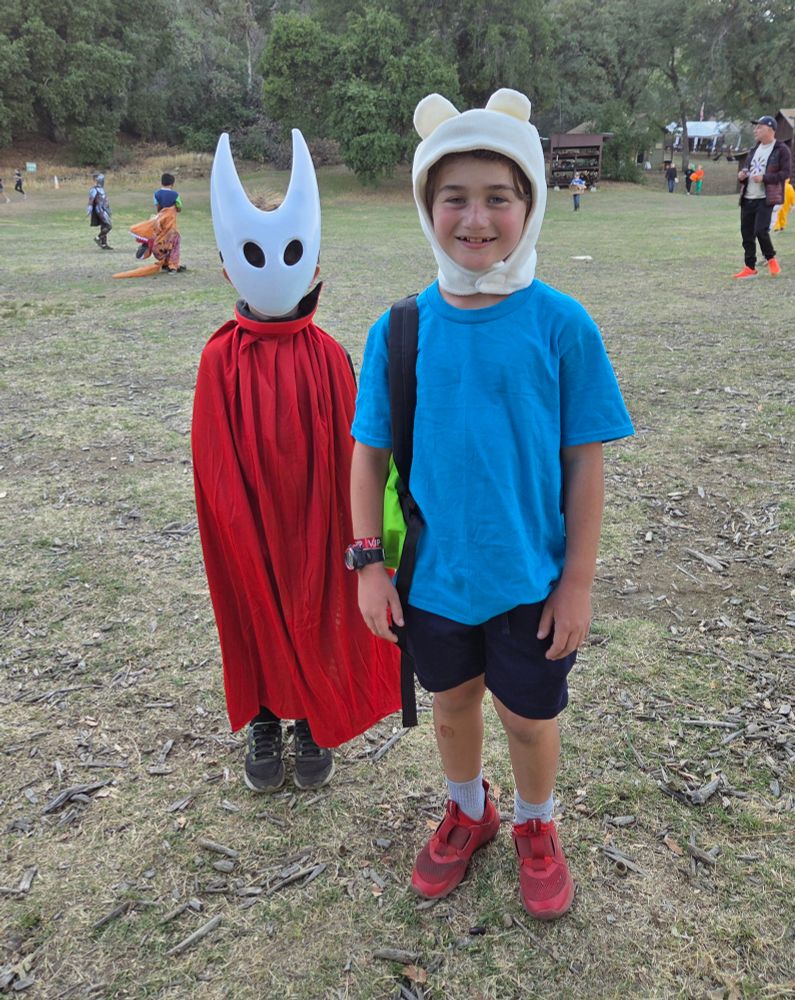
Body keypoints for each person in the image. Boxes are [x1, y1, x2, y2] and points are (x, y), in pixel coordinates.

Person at [350, 89, 634, 920]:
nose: (475, 219)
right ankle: (468, 811)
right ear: (424, 205)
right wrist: (368, 565)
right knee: (451, 708)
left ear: (530, 204)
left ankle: (535, 825)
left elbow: (584, 464)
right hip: (433, 581)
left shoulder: (561, 324)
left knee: (529, 720)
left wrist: (576, 580)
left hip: (531, 580)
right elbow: (366, 458)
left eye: (497, 198)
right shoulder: (399, 328)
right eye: (454, 198)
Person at [192, 131, 401, 793]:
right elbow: (212, 463)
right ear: (229, 268)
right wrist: (237, 529)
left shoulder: (329, 354)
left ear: (312, 266)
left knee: (315, 608)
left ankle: (310, 711)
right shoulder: (219, 359)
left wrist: (368, 539)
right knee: (253, 607)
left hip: (317, 523)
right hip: (249, 521)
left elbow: (358, 453)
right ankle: (262, 714)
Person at [733, 115, 791, 279]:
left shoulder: (781, 150)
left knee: (760, 230)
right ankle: (749, 267)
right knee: (746, 233)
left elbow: (786, 173)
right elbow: (747, 169)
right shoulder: (754, 149)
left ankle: (771, 258)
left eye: (759, 127)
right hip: (748, 197)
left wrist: (764, 178)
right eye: (756, 127)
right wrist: (742, 175)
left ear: (770, 129)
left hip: (766, 197)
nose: (755, 130)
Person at [87, 173, 112, 249]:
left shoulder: (101, 189)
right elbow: (91, 200)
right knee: (108, 226)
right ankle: (98, 237)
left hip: (104, 209)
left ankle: (104, 244)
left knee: (104, 226)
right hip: (100, 210)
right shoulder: (94, 190)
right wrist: (89, 208)